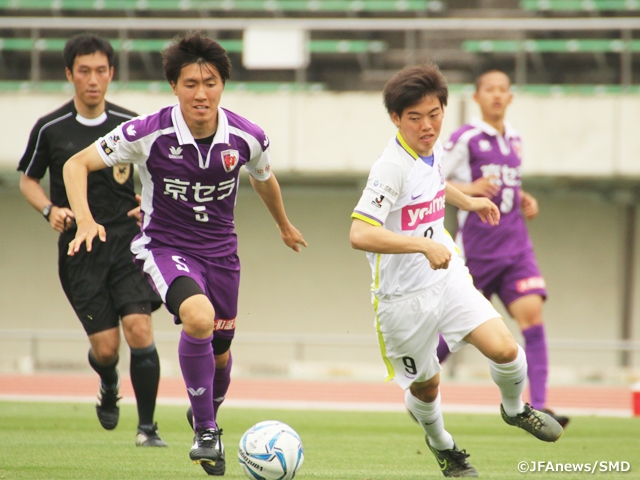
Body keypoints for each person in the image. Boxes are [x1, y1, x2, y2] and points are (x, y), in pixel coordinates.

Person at [63, 31, 307, 476]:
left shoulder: (246, 136)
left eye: (210, 82)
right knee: (198, 317)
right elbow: (75, 164)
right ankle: (207, 433)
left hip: (222, 255)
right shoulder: (147, 132)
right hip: (166, 247)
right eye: (190, 83)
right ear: (174, 86)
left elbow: (264, 176)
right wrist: (83, 217)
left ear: (222, 86)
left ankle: (205, 413)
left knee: (221, 355)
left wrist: (283, 224)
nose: (201, 93)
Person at [349, 64, 563, 478]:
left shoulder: (434, 149)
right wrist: (422, 243)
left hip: (447, 278)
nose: (427, 125)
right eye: (415, 117)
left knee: (505, 349)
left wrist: (469, 202)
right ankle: (443, 447)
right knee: (426, 388)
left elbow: (435, 183)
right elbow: (359, 233)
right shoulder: (389, 167)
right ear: (396, 118)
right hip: (402, 300)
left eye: (434, 114)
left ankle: (516, 409)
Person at [17, 34, 166, 447]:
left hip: (127, 242)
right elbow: (28, 180)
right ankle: (107, 381)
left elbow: (158, 176)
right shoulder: (51, 129)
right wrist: (50, 209)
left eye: (101, 70)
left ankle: (147, 428)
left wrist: (147, 204)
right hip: (80, 248)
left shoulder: (130, 124)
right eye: (84, 71)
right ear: (70, 75)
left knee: (139, 328)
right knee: (106, 348)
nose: (93, 79)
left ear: (111, 73)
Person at [436, 69, 569, 428]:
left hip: (516, 251)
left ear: (510, 97)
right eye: (489, 90)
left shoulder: (515, 140)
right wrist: (472, 187)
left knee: (533, 322)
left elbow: (508, 185)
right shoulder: (466, 138)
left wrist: (523, 197)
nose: (496, 95)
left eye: (503, 90)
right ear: (476, 97)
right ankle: (420, 386)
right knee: (454, 331)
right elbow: (432, 178)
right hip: (476, 254)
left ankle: (539, 406)